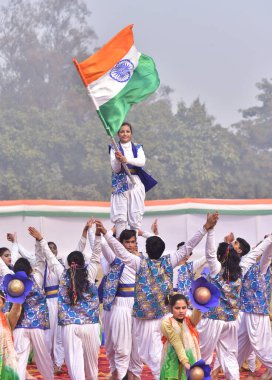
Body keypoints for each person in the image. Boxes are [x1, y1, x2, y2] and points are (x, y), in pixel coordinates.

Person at [95, 213, 217, 380]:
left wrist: (106, 234)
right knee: (157, 356)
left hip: (145, 319)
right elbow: (188, 246)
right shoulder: (169, 261)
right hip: (163, 317)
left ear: (145, 249)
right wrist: (205, 228)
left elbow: (119, 251)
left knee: (153, 358)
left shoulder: (139, 262)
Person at [197, 215, 272, 380]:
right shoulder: (241, 270)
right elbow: (255, 253)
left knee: (201, 354)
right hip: (231, 320)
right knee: (230, 356)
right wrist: (270, 239)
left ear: (221, 257)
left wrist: (211, 229)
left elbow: (209, 252)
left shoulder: (217, 269)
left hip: (213, 319)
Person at [30, 224, 102, 380]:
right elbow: (96, 254)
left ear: (69, 263)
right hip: (91, 324)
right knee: (92, 367)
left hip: (69, 326)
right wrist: (97, 236)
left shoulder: (62, 274)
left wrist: (41, 239)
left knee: (75, 367)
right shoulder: (90, 274)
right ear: (83, 262)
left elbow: (49, 257)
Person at [97, 228, 142, 380]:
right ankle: (118, 374)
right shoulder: (115, 259)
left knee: (137, 346)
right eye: (127, 242)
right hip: (119, 307)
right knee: (120, 347)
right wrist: (105, 231)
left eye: (133, 242)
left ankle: (133, 375)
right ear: (120, 244)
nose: (130, 245)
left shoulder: (141, 260)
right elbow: (103, 244)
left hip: (137, 307)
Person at [0, 254, 54, 380]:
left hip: (19, 326)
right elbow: (41, 262)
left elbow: (2, 267)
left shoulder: (11, 280)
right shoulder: (36, 278)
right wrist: (38, 240)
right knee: (43, 358)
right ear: (29, 269)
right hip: (37, 326)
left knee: (19, 359)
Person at [110, 122, 157, 238]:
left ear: (131, 133)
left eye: (127, 131)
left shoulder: (137, 147)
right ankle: (120, 247)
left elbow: (142, 162)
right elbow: (116, 169)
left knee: (135, 218)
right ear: (118, 134)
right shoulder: (114, 148)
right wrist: (117, 160)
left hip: (135, 182)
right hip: (120, 182)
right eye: (122, 131)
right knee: (120, 218)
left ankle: (133, 245)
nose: (125, 134)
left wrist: (126, 159)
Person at [160, 294, 201, 380]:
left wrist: (199, 303)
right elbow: (176, 342)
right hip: (172, 358)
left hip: (190, 358)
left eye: (184, 307)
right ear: (171, 308)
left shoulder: (189, 321)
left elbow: (197, 316)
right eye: (177, 308)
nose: (181, 311)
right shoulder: (166, 323)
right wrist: (185, 362)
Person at [0, 290, 22, 380]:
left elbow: (16, 311)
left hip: (7, 361)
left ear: (3, 303)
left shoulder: (7, 318)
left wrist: (18, 296)